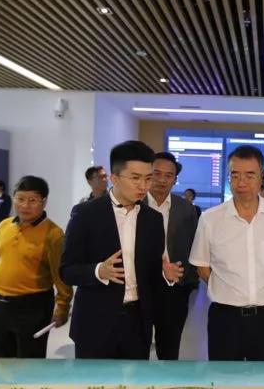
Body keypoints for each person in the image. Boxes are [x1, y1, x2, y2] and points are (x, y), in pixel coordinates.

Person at [61, 141, 181, 359]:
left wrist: (166, 275)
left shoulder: (153, 220)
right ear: (114, 178)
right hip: (95, 321)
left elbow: (152, 272)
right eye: (135, 178)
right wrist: (98, 271)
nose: (143, 186)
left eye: (148, 178)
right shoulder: (85, 214)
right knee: (94, 379)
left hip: (137, 321)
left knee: (135, 379)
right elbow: (66, 271)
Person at [189, 145, 264, 361]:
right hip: (225, 318)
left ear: (262, 178)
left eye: (250, 175)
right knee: (224, 377)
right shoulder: (210, 218)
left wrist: (260, 288)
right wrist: (229, 288)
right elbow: (202, 266)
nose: (241, 182)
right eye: (235, 175)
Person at [0, 176, 73, 358]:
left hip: (33, 307)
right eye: (20, 199)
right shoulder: (4, 226)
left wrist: (62, 307)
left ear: (44, 202)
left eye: (32, 200)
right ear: (13, 198)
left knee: (30, 364)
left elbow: (61, 275)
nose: (25, 205)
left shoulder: (53, 234)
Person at [147, 152, 199, 360]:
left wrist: (188, 282)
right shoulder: (135, 204)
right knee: (136, 347)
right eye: (157, 173)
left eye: (168, 176)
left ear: (175, 179)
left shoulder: (186, 209)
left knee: (169, 349)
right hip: (141, 286)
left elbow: (193, 246)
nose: (162, 180)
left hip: (174, 288)